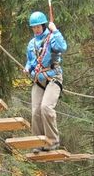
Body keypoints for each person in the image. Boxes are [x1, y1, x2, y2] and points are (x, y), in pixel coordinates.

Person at [24, 11, 68, 152]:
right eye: (34, 27)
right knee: (35, 111)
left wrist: (55, 31)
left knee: (46, 108)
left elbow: (62, 47)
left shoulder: (51, 38)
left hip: (53, 78)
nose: (36, 29)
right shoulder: (32, 44)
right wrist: (27, 68)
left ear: (43, 26)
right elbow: (30, 62)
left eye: (38, 27)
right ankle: (39, 142)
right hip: (38, 80)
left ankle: (52, 141)